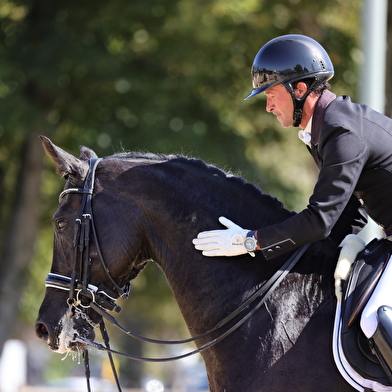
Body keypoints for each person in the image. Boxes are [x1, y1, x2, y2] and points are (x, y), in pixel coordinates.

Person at [193, 34, 392, 261]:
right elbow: (349, 211)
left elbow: (320, 221)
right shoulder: (327, 126)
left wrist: (249, 241)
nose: (268, 107)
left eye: (271, 95)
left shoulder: (341, 133)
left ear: (299, 89)